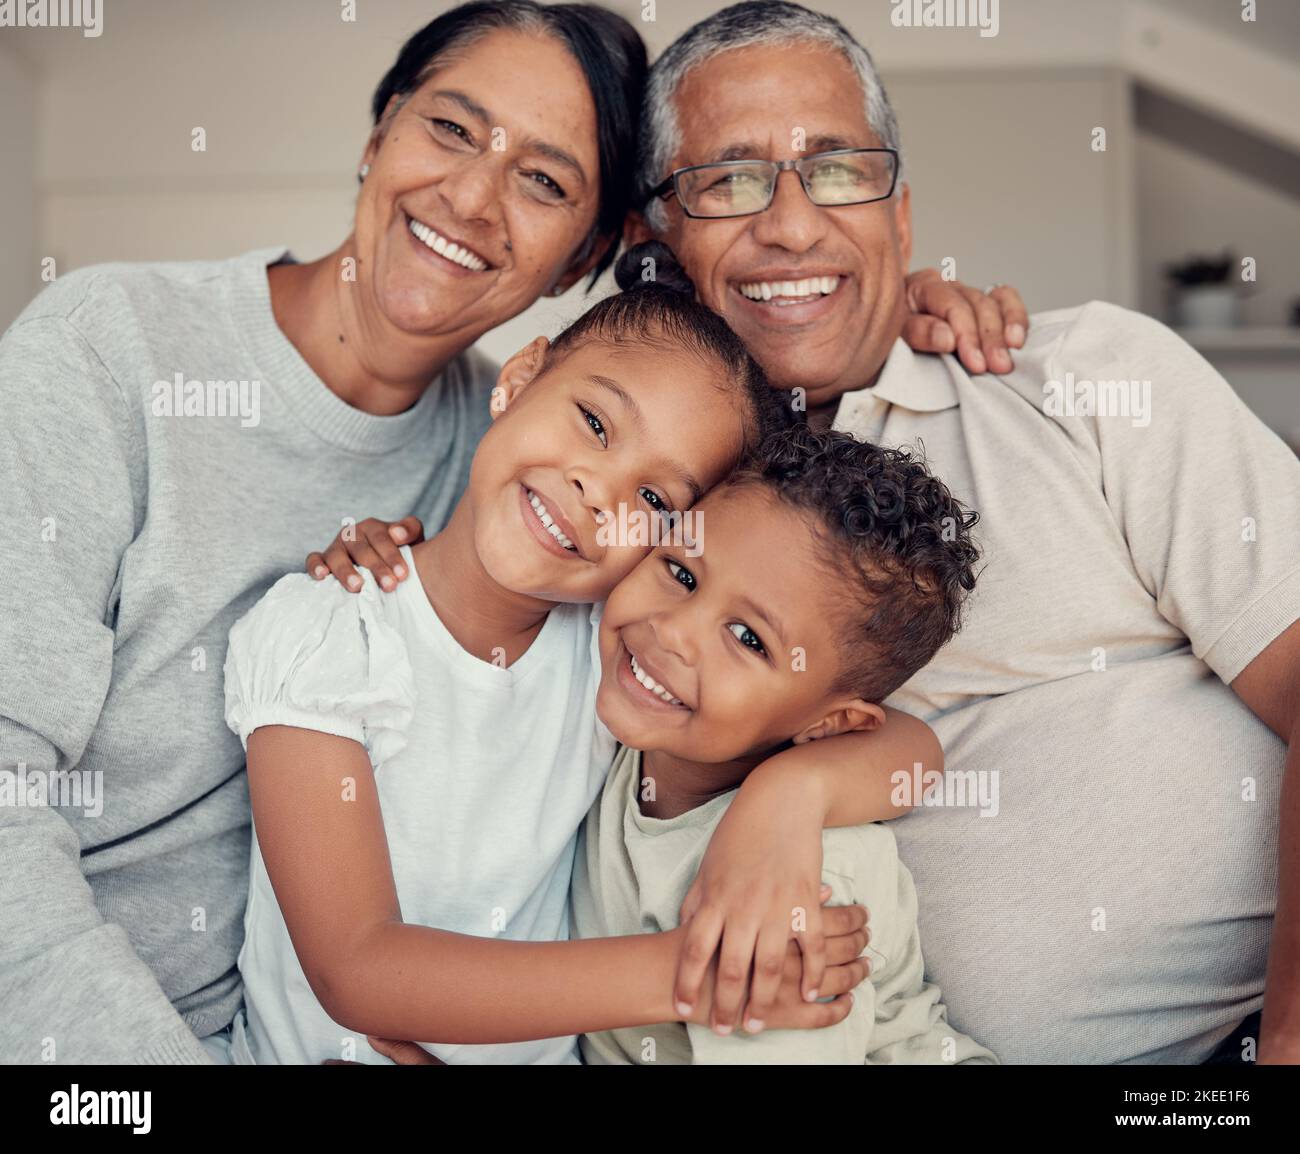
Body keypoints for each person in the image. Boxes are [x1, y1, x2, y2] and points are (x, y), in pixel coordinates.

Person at [0, 0, 1025, 1064]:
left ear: (594, 249)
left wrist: (882, 311)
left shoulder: (555, 505)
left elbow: (832, 692)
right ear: (379, 132)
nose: (472, 196)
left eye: (544, 180)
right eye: (449, 128)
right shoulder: (108, 352)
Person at [327, 0, 1300, 1063]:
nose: (792, 225)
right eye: (731, 179)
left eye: (836, 169)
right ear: (654, 239)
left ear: (901, 215)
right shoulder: (652, 494)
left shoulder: (1091, 383)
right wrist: (386, 559)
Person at [224, 251, 931, 1064]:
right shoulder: (330, 633)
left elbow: (908, 746)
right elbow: (357, 970)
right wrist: (692, 974)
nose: (598, 489)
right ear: (521, 377)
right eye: (595, 424)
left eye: (655, 501)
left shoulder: (618, 649)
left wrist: (788, 800)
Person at [576, 423, 996, 1065]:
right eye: (683, 574)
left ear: (829, 725)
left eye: (748, 639)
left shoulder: (807, 889)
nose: (673, 632)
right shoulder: (624, 716)